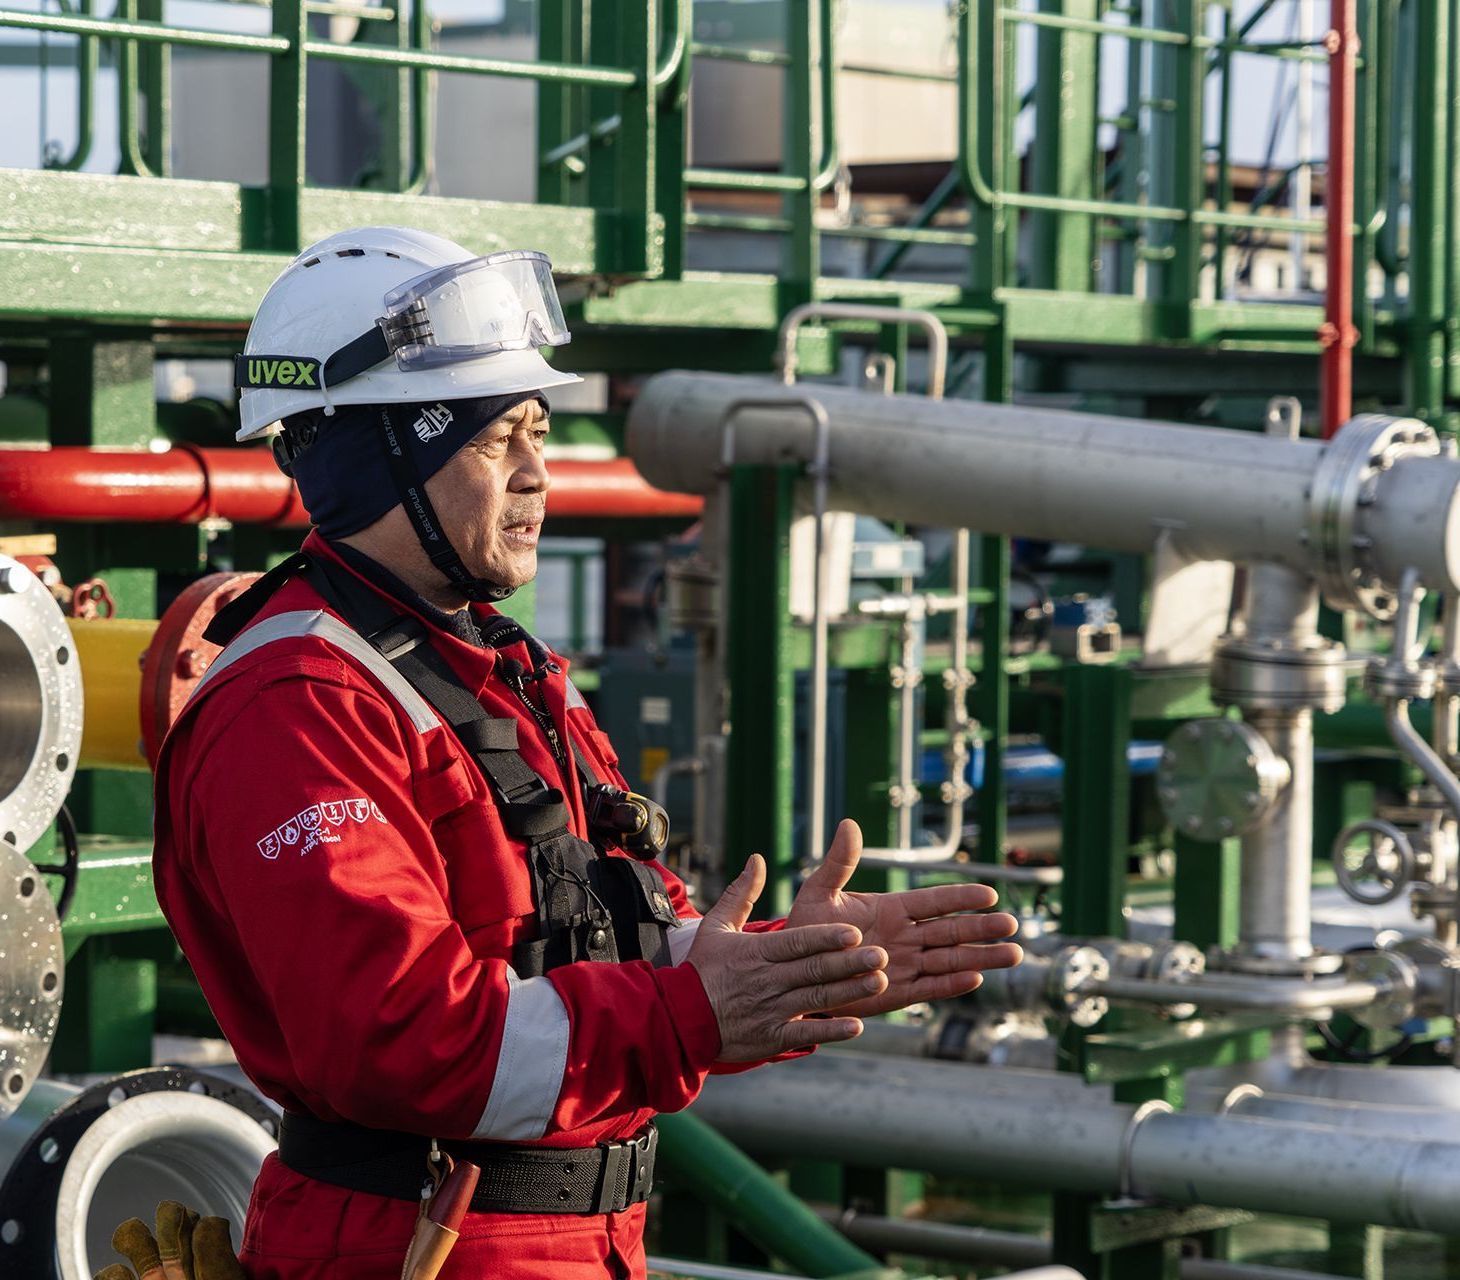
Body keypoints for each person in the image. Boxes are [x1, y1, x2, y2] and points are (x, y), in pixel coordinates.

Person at [152, 226, 1021, 1280]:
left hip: (563, 1242)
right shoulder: (296, 707)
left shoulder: (497, 667)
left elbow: (584, 935)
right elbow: (404, 1040)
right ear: (372, 459)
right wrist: (696, 1011)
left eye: (538, 429)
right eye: (490, 437)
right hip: (423, 1246)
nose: (536, 474)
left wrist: (781, 964)